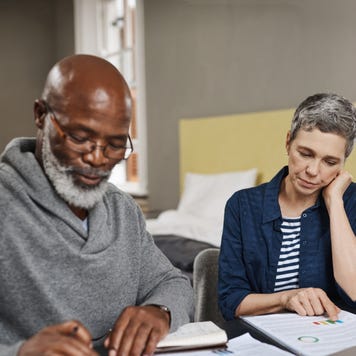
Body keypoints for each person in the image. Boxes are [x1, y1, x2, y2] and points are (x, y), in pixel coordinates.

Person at [0, 54, 193, 356]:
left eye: (115, 145)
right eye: (79, 137)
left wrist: (160, 310)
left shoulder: (123, 210)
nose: (98, 159)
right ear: (41, 115)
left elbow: (173, 281)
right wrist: (20, 352)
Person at [218, 93, 356, 321]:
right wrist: (285, 298)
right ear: (288, 142)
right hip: (267, 342)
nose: (313, 170)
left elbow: (354, 289)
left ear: (343, 164)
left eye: (329, 162)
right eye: (305, 154)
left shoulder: (350, 202)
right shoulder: (243, 205)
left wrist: (335, 202)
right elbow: (231, 301)